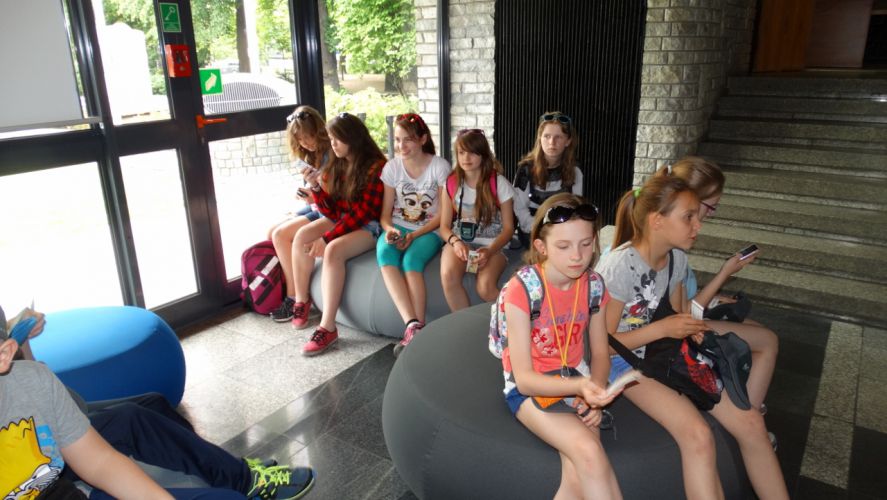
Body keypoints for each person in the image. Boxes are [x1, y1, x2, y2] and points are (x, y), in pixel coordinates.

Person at [595, 176, 788, 499]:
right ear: (657, 221)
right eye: (689, 217)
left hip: (666, 353)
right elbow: (603, 344)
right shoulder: (619, 267)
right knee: (698, 436)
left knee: (752, 423)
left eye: (697, 216)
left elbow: (679, 313)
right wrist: (664, 330)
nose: (698, 225)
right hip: (625, 363)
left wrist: (691, 329)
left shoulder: (677, 259)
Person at [1, 306, 316, 500]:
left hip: (55, 425)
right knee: (132, 418)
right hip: (49, 459)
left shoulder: (27, 379)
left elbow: (29, 389)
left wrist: (22, 337)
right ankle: (238, 478)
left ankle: (222, 473)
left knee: (151, 404)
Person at [498, 193, 622, 499]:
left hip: (577, 378)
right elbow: (524, 380)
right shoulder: (523, 289)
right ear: (542, 247)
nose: (577, 256)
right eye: (563, 246)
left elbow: (601, 352)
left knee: (578, 475)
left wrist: (595, 392)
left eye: (585, 243)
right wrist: (581, 387)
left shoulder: (594, 286)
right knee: (589, 453)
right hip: (532, 385)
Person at [658, 157, 778, 413]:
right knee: (767, 341)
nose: (709, 216)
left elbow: (683, 301)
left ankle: (748, 402)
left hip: (685, 318)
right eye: (710, 207)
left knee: (757, 330)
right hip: (676, 332)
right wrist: (725, 273)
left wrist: (715, 298)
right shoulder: (672, 249)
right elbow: (684, 313)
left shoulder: (674, 247)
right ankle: (749, 413)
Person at [290, 112, 387, 355]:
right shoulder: (338, 162)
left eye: (336, 139)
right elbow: (332, 210)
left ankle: (327, 327)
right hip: (344, 218)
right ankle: (302, 300)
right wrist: (315, 187)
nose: (332, 144)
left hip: (370, 225)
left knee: (332, 250)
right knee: (302, 236)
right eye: (331, 138)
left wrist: (327, 238)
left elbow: (363, 214)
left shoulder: (377, 167)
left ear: (352, 138)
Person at [376, 113, 450, 356]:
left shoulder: (439, 166)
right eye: (398, 140)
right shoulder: (392, 167)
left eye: (408, 139)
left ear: (422, 139)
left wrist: (415, 235)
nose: (401, 146)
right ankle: (412, 324)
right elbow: (385, 216)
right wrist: (391, 231)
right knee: (385, 253)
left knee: (411, 261)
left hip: (430, 229)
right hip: (400, 226)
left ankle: (418, 327)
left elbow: (443, 215)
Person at [439, 128, 515, 311]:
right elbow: (444, 227)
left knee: (485, 288)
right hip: (462, 242)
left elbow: (508, 229)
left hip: (493, 245)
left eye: (472, 152)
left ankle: (518, 319)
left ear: (483, 155)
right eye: (461, 152)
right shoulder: (451, 183)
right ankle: (464, 323)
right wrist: (456, 242)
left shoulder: (499, 183)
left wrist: (489, 251)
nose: (466, 158)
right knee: (448, 276)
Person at [269, 105, 332, 322]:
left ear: (319, 131)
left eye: (308, 137)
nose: (306, 143)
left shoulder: (332, 154)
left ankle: (294, 297)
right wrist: (306, 194)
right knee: (273, 232)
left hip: (328, 210)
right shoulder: (310, 155)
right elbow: (316, 194)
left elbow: (335, 199)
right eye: (300, 139)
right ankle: (293, 292)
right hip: (316, 206)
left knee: (282, 235)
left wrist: (314, 194)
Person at [512, 112, 583, 247]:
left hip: (561, 229)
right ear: (540, 138)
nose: (552, 142)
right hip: (532, 230)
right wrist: (539, 228)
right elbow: (519, 208)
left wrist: (559, 230)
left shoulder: (575, 172)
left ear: (568, 141)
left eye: (558, 137)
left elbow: (576, 207)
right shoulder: (525, 169)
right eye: (547, 136)